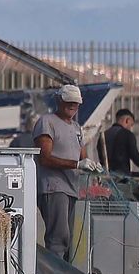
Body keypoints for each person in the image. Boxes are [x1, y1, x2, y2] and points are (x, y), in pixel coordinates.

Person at [34, 84, 100, 261]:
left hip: (71, 189)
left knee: (67, 239)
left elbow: (81, 154)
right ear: (59, 100)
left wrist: (92, 166)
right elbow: (44, 158)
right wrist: (78, 165)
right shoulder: (47, 122)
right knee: (58, 238)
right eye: (68, 100)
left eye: (76, 102)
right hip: (54, 187)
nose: (72, 105)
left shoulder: (77, 128)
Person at [103, 107, 139, 177]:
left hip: (106, 176)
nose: (130, 127)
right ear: (127, 120)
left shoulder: (104, 135)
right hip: (122, 177)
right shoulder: (127, 135)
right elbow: (136, 158)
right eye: (131, 125)